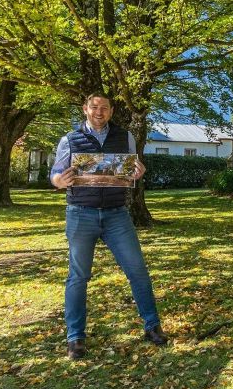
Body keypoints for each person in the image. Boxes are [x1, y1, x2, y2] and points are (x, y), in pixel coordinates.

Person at [50, 92, 168, 360]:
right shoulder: (69, 140)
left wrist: (139, 172)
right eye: (94, 107)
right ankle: (75, 338)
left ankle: (152, 327)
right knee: (78, 277)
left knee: (137, 270)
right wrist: (60, 181)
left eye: (104, 108)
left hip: (117, 215)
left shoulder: (125, 137)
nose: (99, 112)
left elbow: (132, 170)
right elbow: (55, 173)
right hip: (81, 214)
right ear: (85, 109)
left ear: (112, 111)